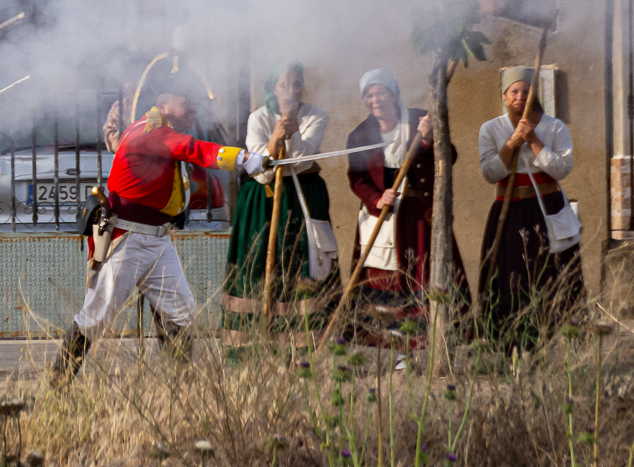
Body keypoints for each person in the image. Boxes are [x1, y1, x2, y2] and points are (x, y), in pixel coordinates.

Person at [53, 92, 266, 379]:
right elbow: (190, 148)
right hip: (127, 238)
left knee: (181, 312)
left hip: (157, 239)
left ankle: (175, 388)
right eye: (185, 101)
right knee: (96, 318)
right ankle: (56, 384)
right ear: (163, 106)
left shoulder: (157, 130)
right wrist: (241, 157)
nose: (193, 108)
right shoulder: (151, 130)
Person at [345, 69, 468, 348]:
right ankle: (390, 344)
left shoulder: (419, 120)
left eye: (380, 92)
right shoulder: (360, 135)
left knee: (425, 274)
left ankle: (433, 342)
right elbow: (357, 178)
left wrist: (427, 139)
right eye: (369, 94)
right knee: (385, 278)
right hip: (385, 216)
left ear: (393, 93)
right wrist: (376, 198)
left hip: (420, 216)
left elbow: (450, 157)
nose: (374, 99)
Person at [222, 65, 336, 343]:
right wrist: (275, 136)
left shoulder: (316, 115)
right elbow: (260, 168)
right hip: (263, 200)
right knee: (259, 261)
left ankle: (306, 345)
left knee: (303, 260)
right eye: (283, 85)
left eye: (296, 84)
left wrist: (293, 130)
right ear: (273, 88)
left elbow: (301, 160)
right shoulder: (257, 117)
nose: (290, 90)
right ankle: (253, 341)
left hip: (303, 197)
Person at [477, 67, 583, 346]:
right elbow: (490, 174)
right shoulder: (490, 129)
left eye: (526, 91)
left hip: (546, 210)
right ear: (504, 95)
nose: (520, 96)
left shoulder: (554, 127)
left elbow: (562, 169)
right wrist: (511, 143)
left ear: (535, 94)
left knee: (551, 272)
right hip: (508, 212)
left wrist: (534, 140)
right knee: (511, 275)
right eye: (514, 91)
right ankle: (512, 340)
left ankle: (556, 339)